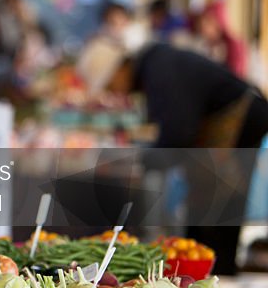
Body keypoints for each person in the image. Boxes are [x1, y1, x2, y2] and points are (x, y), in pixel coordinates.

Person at [77, 37, 268, 274]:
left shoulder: (159, 70)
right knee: (207, 209)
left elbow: (179, 135)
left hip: (240, 121)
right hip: (227, 126)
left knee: (217, 210)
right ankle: (208, 274)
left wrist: (143, 163)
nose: (112, 92)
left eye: (109, 85)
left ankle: (218, 278)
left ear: (119, 69)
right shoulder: (154, 67)